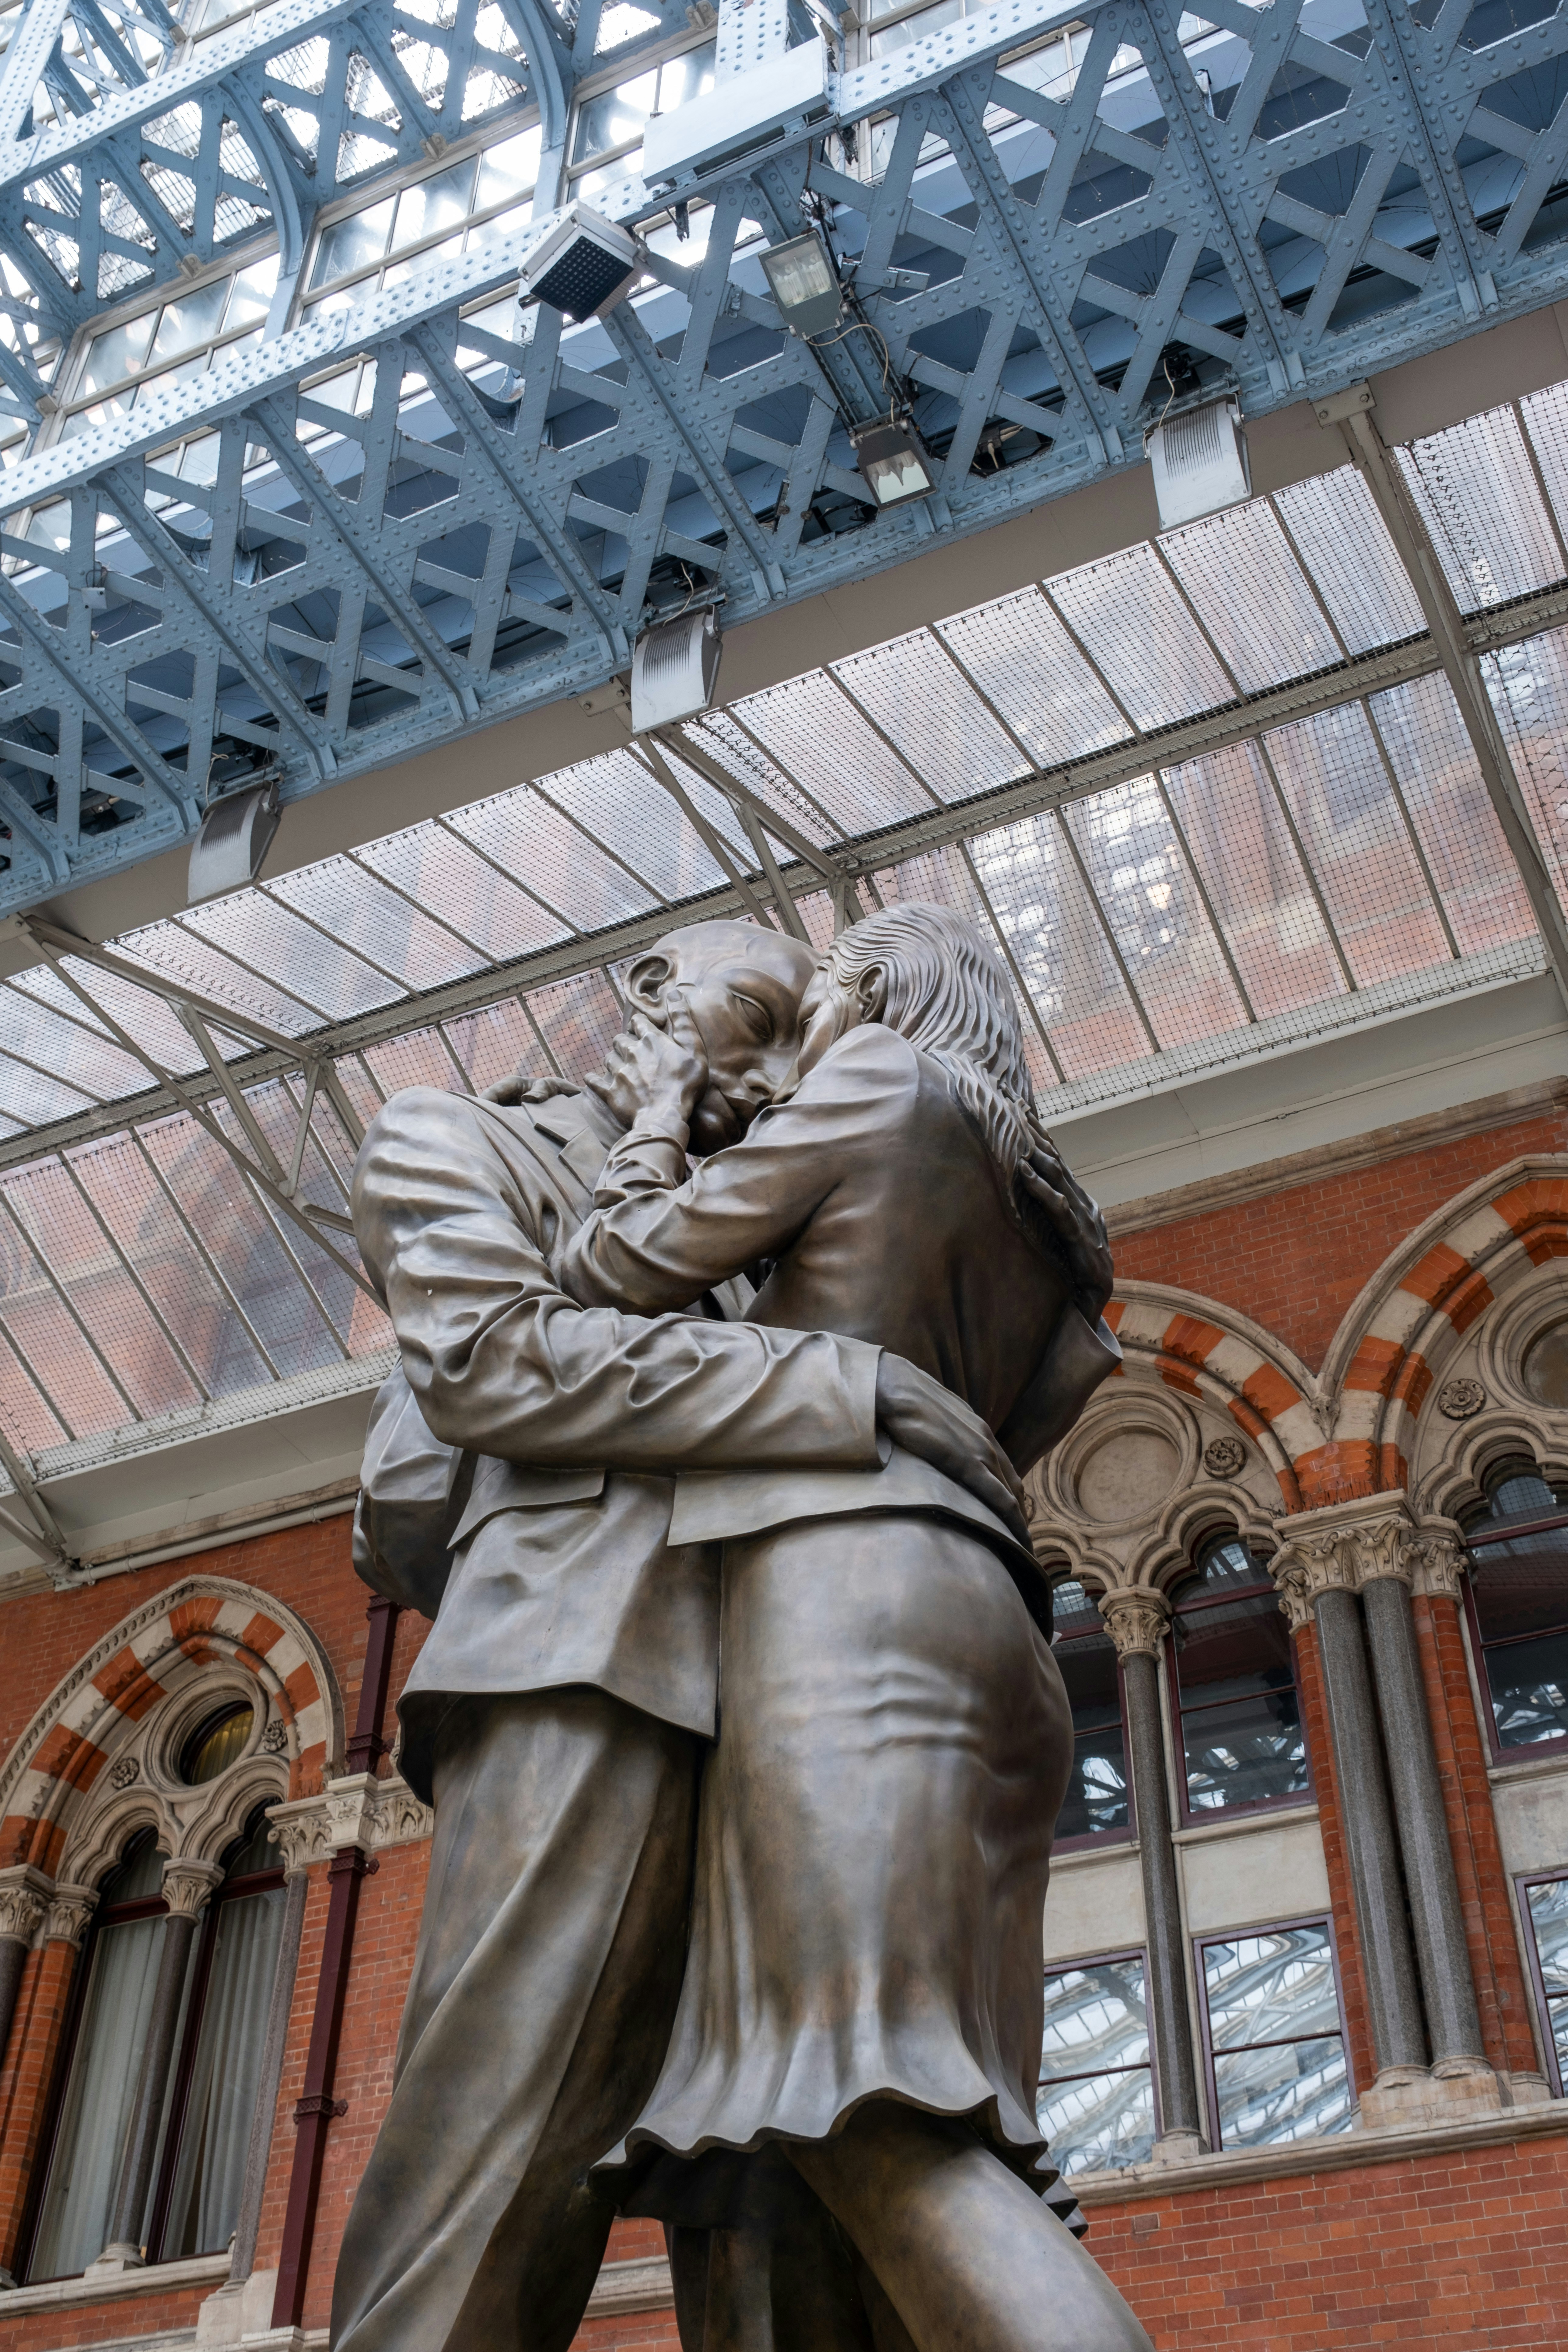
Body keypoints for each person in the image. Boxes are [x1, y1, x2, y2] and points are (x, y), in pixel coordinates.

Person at [332, 918, 1044, 2352]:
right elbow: (483, 1372)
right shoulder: (454, 1138)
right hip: (584, 1674)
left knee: (796, 2207)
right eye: (770, 1017)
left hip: (807, 1703)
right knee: (498, 2166)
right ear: (656, 995)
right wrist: (843, 1390)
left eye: (810, 1034)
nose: (794, 1066)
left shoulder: (773, 1190)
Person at [555, 903, 1153, 2352]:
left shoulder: (876, 1081)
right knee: (867, 2129)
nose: (789, 1053)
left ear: (876, 993)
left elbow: (613, 1273)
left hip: (844, 1597)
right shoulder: (1039, 1214)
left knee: (871, 2117)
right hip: (987, 1617)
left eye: (812, 1004)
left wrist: (649, 1116)